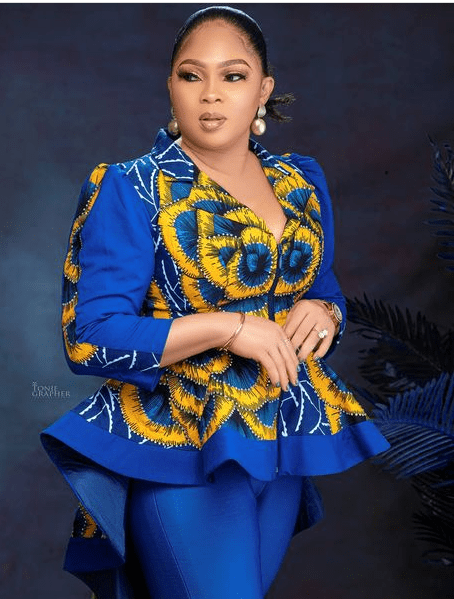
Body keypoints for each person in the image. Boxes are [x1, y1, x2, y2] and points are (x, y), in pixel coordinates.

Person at [41, 6, 389, 599]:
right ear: (170, 86)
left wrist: (327, 313)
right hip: (182, 442)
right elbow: (90, 337)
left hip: (283, 435)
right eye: (191, 74)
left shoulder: (300, 182)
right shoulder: (132, 187)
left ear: (263, 91)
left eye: (232, 75)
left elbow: (321, 289)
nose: (210, 94)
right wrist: (229, 328)